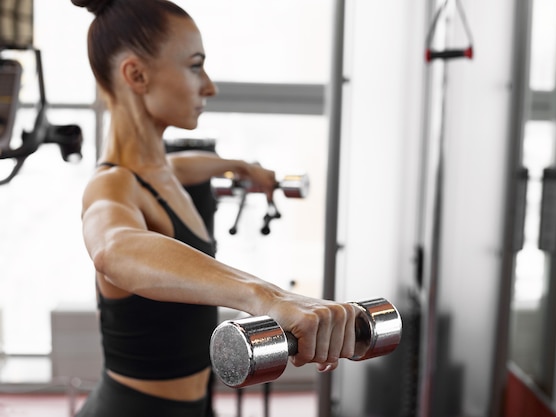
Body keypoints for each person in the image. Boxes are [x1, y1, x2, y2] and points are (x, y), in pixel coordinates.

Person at [71, 1, 359, 416]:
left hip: (199, 403)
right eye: (195, 66)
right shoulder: (112, 184)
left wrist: (238, 166)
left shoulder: (162, 171)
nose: (209, 86)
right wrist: (269, 297)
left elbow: (185, 166)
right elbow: (114, 250)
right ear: (136, 75)